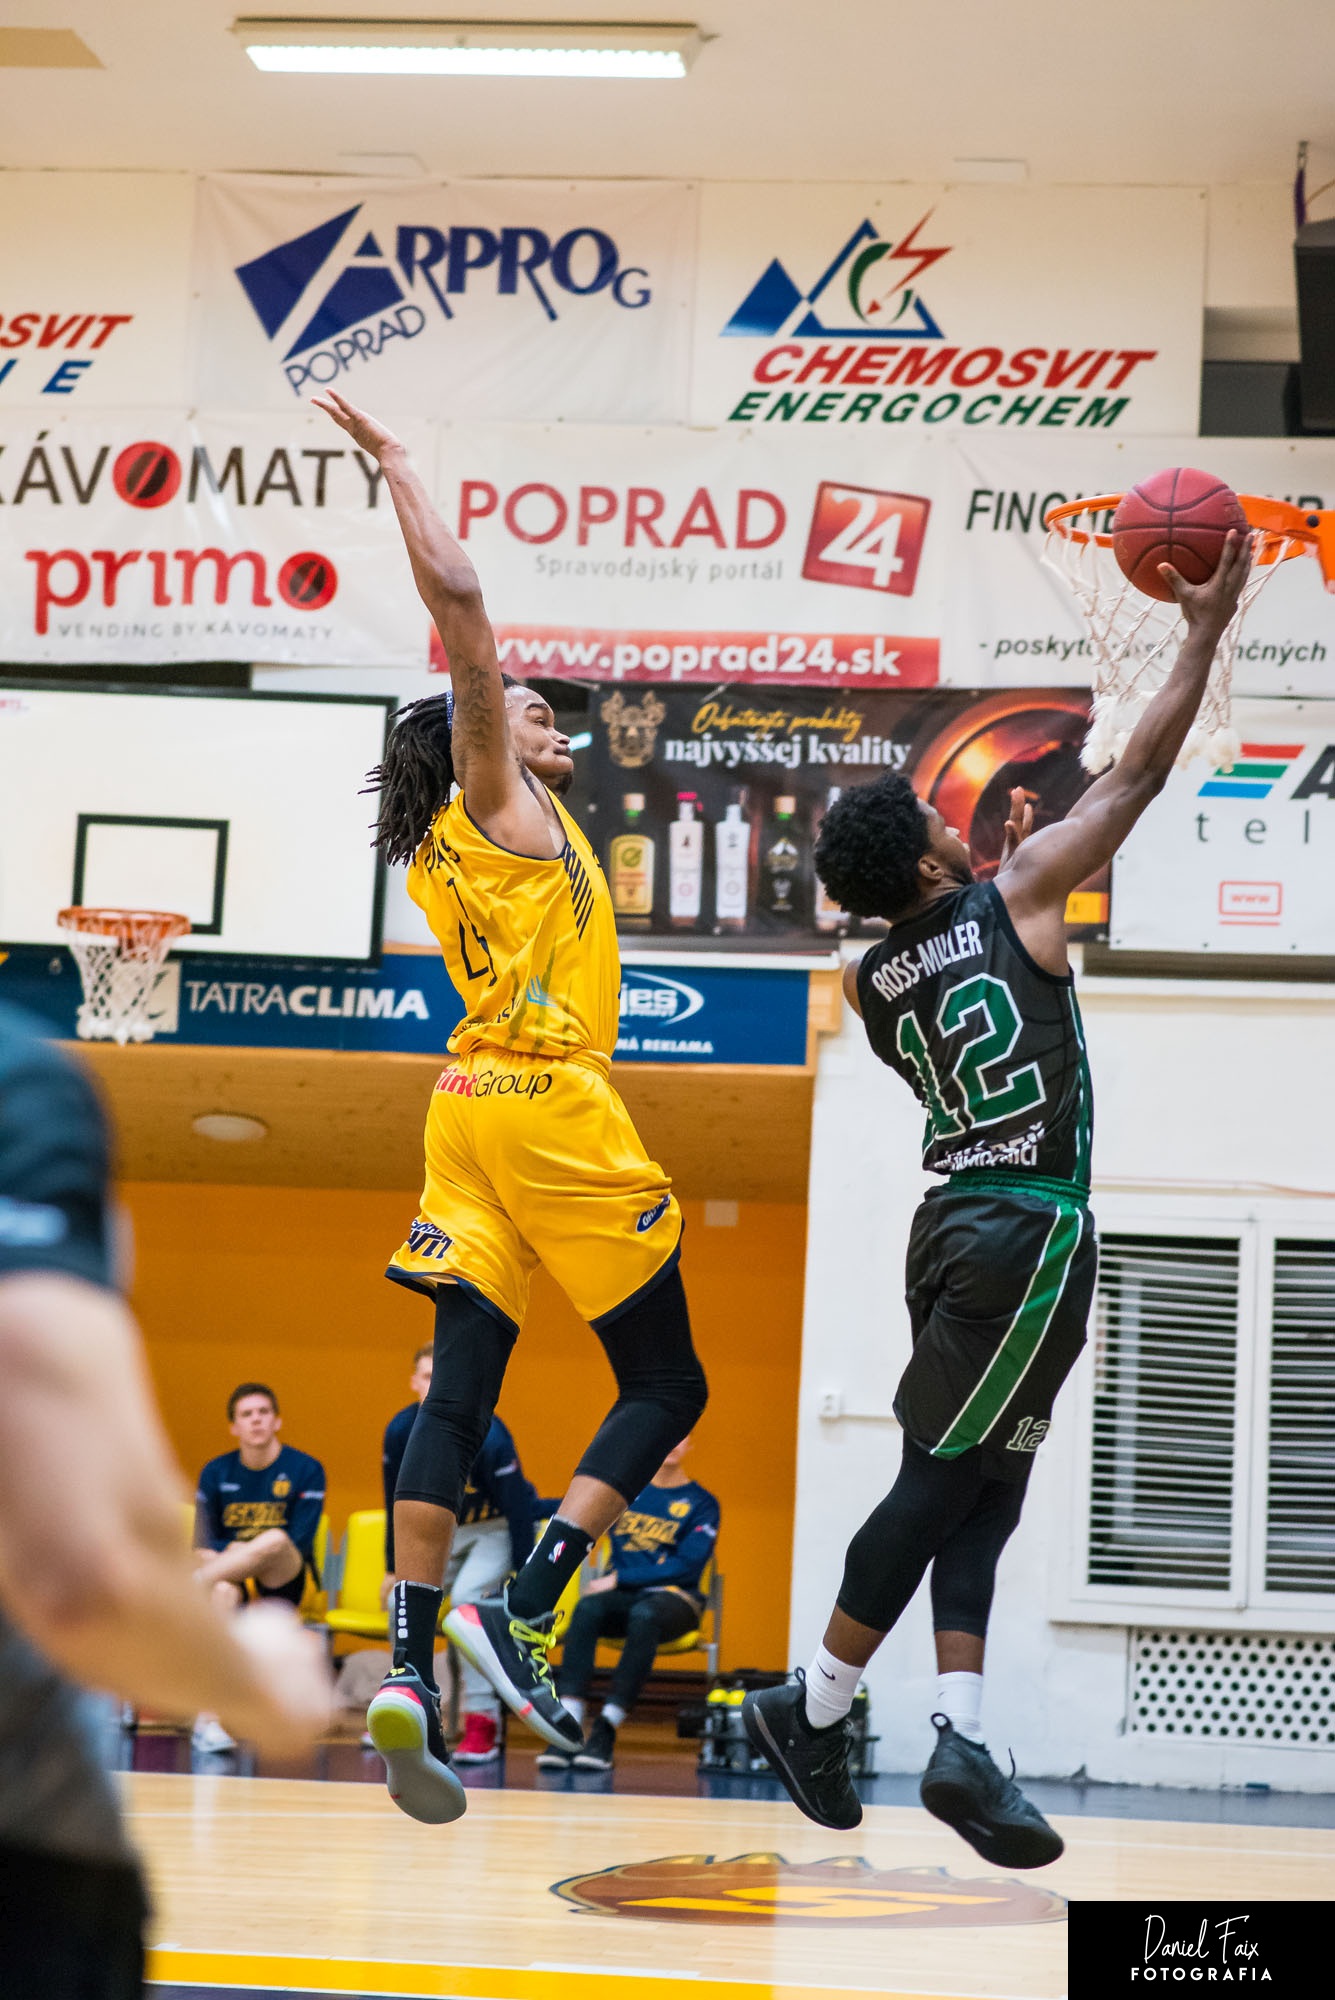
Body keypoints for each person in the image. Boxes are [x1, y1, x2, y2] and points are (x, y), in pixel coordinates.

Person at [744, 535, 1252, 1864]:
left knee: (987, 1482)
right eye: (931, 820)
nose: (946, 819)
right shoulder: (1018, 892)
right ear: (926, 865)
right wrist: (1202, 630)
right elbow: (1134, 774)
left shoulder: (866, 982)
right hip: (1023, 1228)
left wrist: (1004, 888)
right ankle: (812, 1703)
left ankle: (960, 1738)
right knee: (935, 1476)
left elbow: (956, 960)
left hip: (958, 1228)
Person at [313, 386, 708, 1827]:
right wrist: (397, 465)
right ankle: (531, 1600)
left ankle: (409, 1667)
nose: (542, 714)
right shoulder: (499, 805)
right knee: (667, 1385)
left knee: (458, 1392)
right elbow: (465, 613)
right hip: (546, 1098)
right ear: (477, 738)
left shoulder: (438, 847)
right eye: (527, 708)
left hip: (462, 1105)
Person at [0, 1000, 331, 1997]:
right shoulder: (21, 1086)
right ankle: (218, 1714)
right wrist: (255, 1681)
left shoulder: (298, 1466)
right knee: (221, 1577)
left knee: (249, 1558)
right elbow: (81, 1575)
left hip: (268, 1568)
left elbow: (281, 1546)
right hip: (28, 1851)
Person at [381, 1345, 537, 1763]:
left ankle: (483, 1720)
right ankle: (409, 1709)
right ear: (413, 1382)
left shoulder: (491, 1434)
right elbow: (394, 1502)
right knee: (399, 1600)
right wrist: (391, 1567)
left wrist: (527, 1577)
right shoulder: (400, 1431)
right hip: (438, 1529)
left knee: (467, 1603)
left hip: (492, 1527)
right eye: (426, 1376)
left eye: (442, 1375)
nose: (435, 1385)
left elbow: (519, 1507)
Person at [539, 1438, 718, 1773]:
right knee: (587, 1609)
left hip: (677, 1602)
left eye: (682, 1436)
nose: (672, 1443)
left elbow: (687, 1567)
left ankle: (606, 1727)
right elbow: (573, 1510)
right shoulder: (628, 1493)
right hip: (624, 1599)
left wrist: (621, 1578)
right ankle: (569, 1725)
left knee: (645, 1614)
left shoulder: (702, 1503)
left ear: (690, 1444)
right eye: (669, 1435)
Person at [192, 1384, 327, 1752]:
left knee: (275, 1540)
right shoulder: (216, 1472)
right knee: (221, 1591)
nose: (256, 1420)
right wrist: (233, 1552)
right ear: (234, 1427)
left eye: (264, 1412)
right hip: (230, 1573)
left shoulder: (305, 1469)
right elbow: (202, 1543)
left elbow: (299, 1540)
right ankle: (209, 1722)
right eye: (247, 1414)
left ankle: (188, 1585)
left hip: (284, 1576)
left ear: (277, 1420)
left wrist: (246, 1550)